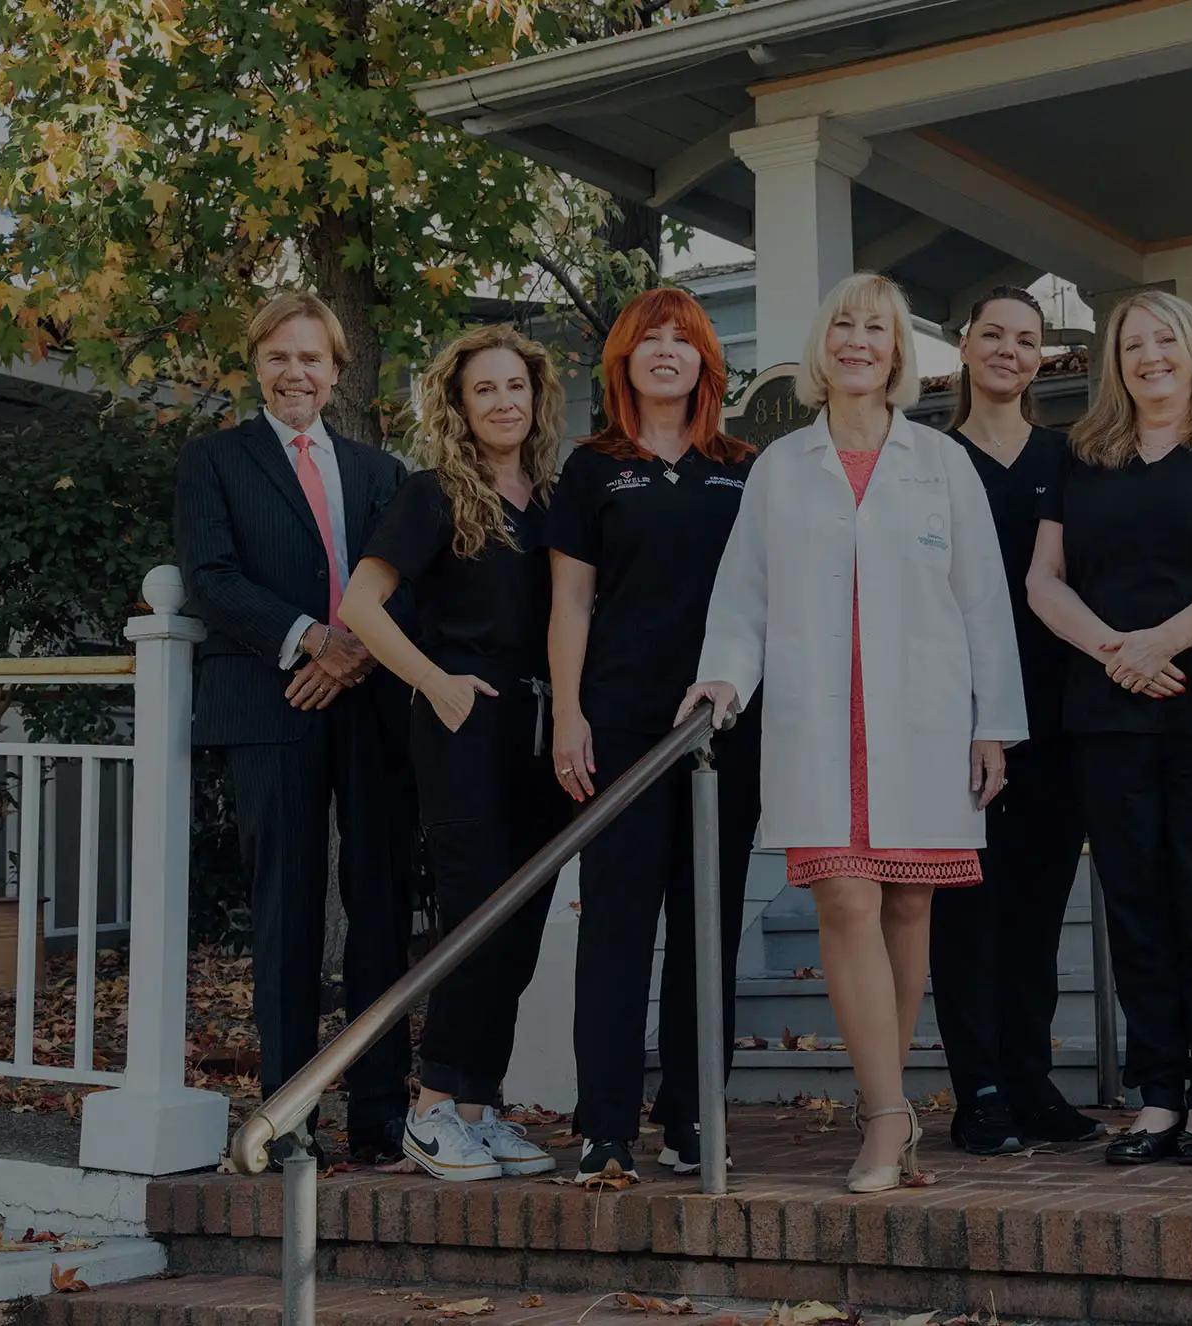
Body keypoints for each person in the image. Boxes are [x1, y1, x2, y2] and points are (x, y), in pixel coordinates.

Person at [680, 272, 1027, 1194]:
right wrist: (723, 676)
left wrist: (994, 723)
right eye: (842, 323)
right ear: (820, 346)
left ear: (899, 353)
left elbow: (984, 603)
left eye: (876, 327)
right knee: (844, 898)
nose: (858, 340)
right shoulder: (780, 467)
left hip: (924, 719)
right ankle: (885, 1117)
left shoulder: (942, 463)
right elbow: (742, 598)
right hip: (817, 719)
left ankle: (892, 1104)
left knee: (909, 906)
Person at [1027, 290, 1192, 1167]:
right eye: (1132, 344)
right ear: (1117, 360)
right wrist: (1116, 653)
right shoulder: (1086, 454)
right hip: (1110, 714)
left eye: (1164, 340)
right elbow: (1044, 581)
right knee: (1137, 906)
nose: (1149, 357)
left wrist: (1162, 642)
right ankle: (1157, 1095)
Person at [175, 290, 415, 1166]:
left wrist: (353, 654)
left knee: (383, 900)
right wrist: (313, 640)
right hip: (271, 705)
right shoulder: (215, 461)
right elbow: (210, 575)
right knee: (287, 908)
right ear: (257, 365)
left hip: (372, 706)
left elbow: (405, 580)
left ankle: (381, 1115)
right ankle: (289, 1119)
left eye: (311, 357)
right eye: (279, 356)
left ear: (335, 368)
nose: (295, 372)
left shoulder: (379, 471)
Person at [338, 325, 572, 1181]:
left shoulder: (550, 500)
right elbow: (361, 605)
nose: (505, 401)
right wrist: (436, 683)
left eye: (517, 386)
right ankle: (431, 1108)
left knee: (522, 928)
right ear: (460, 405)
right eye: (486, 390)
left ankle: (478, 1106)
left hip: (543, 737)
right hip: (462, 728)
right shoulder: (433, 493)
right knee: (477, 918)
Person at [546, 288, 763, 1183]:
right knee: (618, 928)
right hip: (623, 725)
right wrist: (567, 713)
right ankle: (604, 1125)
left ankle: (691, 1115)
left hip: (724, 726)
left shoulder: (745, 468)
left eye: (684, 339)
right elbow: (569, 602)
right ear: (624, 361)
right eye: (650, 340)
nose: (667, 351)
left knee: (706, 927)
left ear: (706, 361)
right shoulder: (593, 469)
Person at [927, 286, 1100, 1155]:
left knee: (1037, 911)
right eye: (992, 334)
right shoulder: (927, 457)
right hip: (955, 720)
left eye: (1026, 339)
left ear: (1042, 357)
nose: (1009, 350)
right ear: (963, 347)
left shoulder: (1068, 459)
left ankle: (1031, 1081)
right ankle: (980, 1090)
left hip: (1054, 714)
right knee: (969, 912)